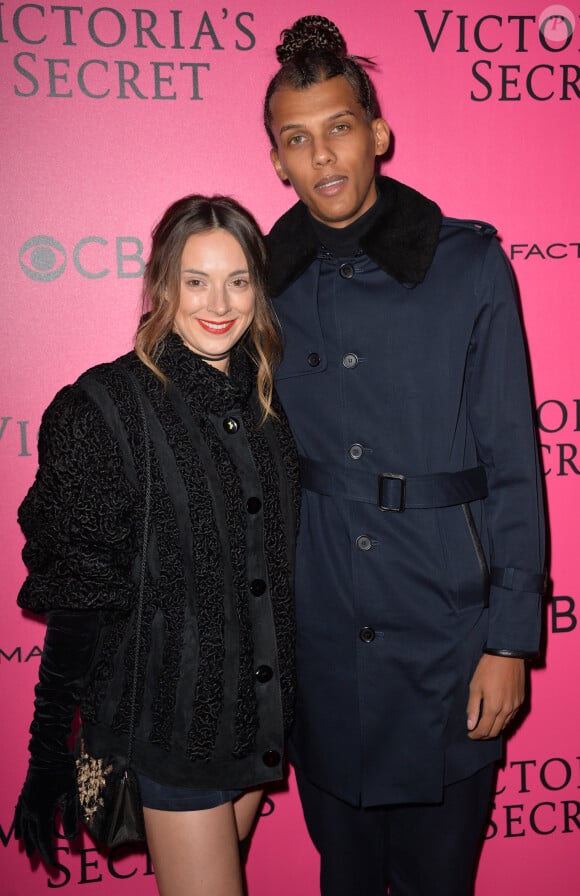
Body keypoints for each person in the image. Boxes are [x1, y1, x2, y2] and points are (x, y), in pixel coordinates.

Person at [263, 15, 546, 896]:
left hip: (448, 635)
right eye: (297, 140)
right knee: (342, 878)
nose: (323, 156)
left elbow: (513, 463)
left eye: (339, 127)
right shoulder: (261, 282)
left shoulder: (469, 266)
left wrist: (510, 640)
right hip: (319, 635)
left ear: (378, 134)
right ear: (277, 161)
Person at [14, 194, 300, 896]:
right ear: (162, 283)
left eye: (238, 280)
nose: (219, 302)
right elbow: (78, 599)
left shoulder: (268, 404)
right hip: (168, 732)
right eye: (195, 280)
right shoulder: (104, 407)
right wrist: (48, 752)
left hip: (257, 722)